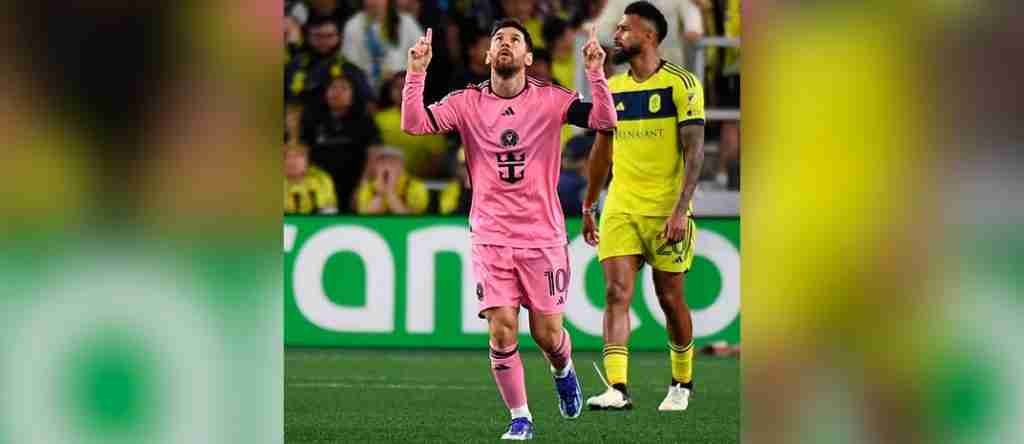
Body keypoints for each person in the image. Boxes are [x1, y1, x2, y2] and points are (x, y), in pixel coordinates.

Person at [401, 20, 617, 440]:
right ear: (487, 55)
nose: (505, 43)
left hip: (542, 236)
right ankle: (521, 418)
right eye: (498, 39)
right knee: (502, 328)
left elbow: (605, 120)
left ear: (528, 57)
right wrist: (416, 73)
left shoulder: (551, 99)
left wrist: (595, 72)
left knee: (547, 335)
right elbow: (414, 123)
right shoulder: (466, 101)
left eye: (515, 39)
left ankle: (563, 368)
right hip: (491, 235)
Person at [581, 1, 706, 413]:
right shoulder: (612, 87)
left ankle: (682, 382)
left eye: (624, 29)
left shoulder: (682, 84)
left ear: (649, 36)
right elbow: (601, 151)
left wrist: (680, 210)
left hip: (666, 208)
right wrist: (589, 204)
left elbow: (695, 151)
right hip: (620, 205)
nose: (615, 35)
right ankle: (617, 387)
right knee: (615, 292)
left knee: (670, 298)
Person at [301, 75, 381, 213]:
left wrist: (362, 186)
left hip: (354, 183)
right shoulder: (313, 119)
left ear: (353, 94)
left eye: (344, 88)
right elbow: (304, 152)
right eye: (333, 88)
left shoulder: (365, 121)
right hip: (319, 184)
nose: (337, 92)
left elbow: (373, 156)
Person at [374, 72, 449, 178]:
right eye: (397, 87)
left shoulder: (430, 121)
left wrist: (414, 182)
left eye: (407, 87)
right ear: (390, 92)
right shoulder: (379, 119)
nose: (402, 91)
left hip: (419, 182)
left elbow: (437, 157)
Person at [342, 0, 423, 92]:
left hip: (403, 85)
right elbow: (351, 64)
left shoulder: (406, 22)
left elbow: (422, 55)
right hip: (366, 88)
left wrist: (401, 74)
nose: (374, 2)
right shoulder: (353, 26)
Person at [354, 146, 430, 215]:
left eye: (392, 162)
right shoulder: (368, 187)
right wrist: (380, 194)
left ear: (402, 166)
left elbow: (411, 220)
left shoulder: (416, 186)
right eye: (382, 163)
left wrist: (390, 192)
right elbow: (365, 217)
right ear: (375, 167)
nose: (386, 167)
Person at [284, 143, 339, 215]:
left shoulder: (321, 179)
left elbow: (329, 212)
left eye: (298, 155)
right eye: (285, 155)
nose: (291, 160)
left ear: (308, 158)